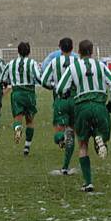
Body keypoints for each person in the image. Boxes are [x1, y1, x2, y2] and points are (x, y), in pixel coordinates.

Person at [56, 40, 111, 192]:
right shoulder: (101, 66)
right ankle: (100, 138)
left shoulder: (73, 67)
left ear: (79, 51)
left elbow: (61, 88)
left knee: (83, 145)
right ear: (92, 51)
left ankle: (88, 183)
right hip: (99, 104)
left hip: (82, 107)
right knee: (101, 133)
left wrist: (66, 94)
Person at [41, 38, 77, 175]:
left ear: (59, 48)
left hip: (60, 99)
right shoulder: (77, 61)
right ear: (72, 48)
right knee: (72, 130)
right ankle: (66, 167)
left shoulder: (54, 62)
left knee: (59, 129)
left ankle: (61, 138)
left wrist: (54, 87)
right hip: (74, 98)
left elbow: (44, 80)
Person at [4, 42, 42, 156]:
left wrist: (7, 83)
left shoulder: (11, 63)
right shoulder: (32, 63)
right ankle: (27, 146)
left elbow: (3, 78)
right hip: (29, 92)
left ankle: (18, 129)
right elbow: (38, 77)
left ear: (18, 51)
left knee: (18, 117)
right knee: (30, 121)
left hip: (17, 93)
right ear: (29, 51)